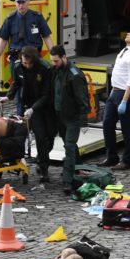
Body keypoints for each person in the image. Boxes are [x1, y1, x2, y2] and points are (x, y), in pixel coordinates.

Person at [34, 45, 90, 196]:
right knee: (62, 142)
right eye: (52, 61)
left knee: (69, 147)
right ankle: (76, 168)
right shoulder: (55, 70)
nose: (54, 63)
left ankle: (67, 180)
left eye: (56, 61)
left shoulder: (75, 75)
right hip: (59, 115)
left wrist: (83, 119)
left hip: (72, 117)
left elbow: (83, 99)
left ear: (64, 57)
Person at [0, 0, 53, 114]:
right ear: (15, 3)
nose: (21, 5)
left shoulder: (37, 17)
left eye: (23, 2)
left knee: (37, 87)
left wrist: (53, 55)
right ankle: (20, 116)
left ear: (28, 2)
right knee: (18, 87)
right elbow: (3, 41)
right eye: (18, 2)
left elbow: (47, 37)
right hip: (17, 58)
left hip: (34, 59)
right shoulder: (10, 19)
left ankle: (36, 112)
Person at [98, 26, 130, 171]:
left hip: (124, 94)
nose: (128, 34)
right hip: (115, 92)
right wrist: (113, 92)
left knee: (127, 129)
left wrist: (124, 101)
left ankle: (127, 161)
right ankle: (112, 157)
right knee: (107, 124)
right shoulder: (124, 51)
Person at [8, 46, 56, 183]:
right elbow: (16, 83)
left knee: (50, 136)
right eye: (25, 63)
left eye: (29, 63)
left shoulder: (44, 69)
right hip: (31, 107)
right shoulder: (18, 67)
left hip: (47, 106)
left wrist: (34, 108)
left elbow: (47, 94)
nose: (27, 66)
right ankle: (44, 169)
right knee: (40, 137)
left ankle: (42, 159)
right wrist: (8, 96)